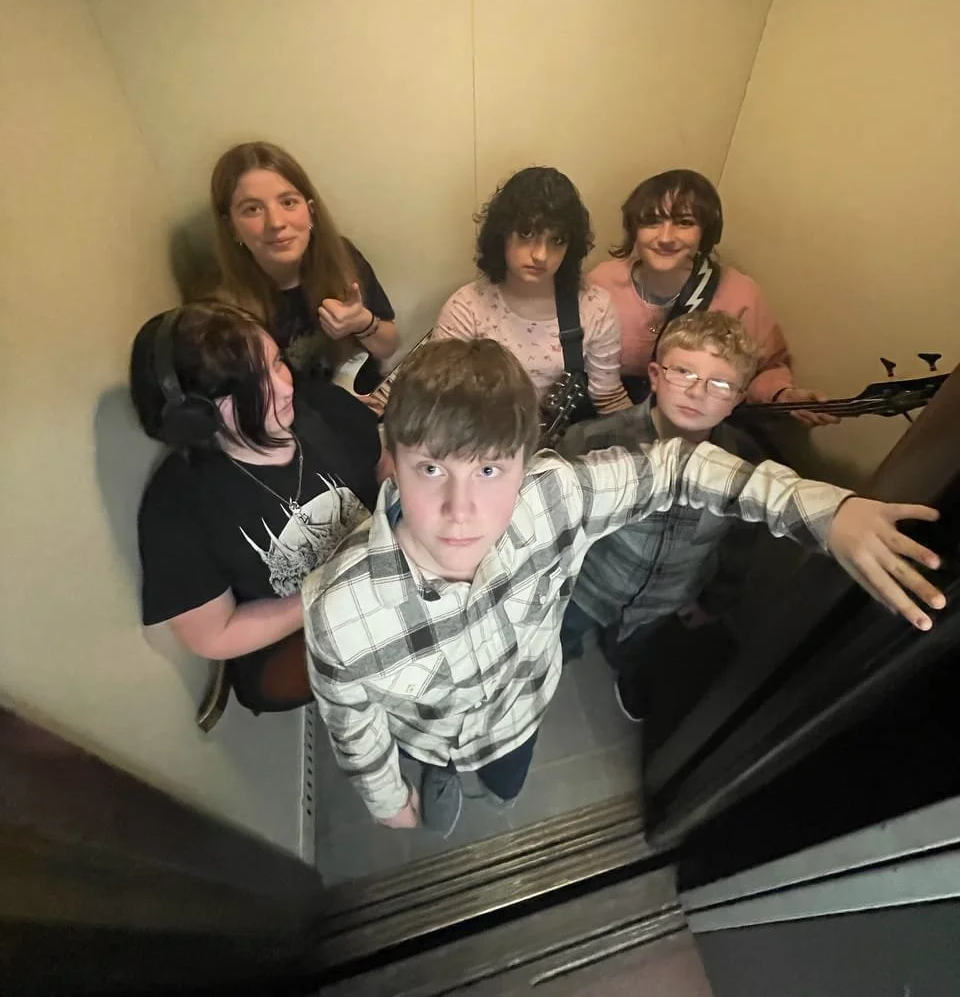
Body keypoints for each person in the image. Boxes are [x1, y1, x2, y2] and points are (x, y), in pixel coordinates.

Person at [302, 338, 944, 837]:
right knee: (434, 776)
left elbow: (675, 465)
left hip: (521, 714)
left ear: (527, 463)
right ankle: (441, 779)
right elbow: (354, 729)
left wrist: (824, 512)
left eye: (491, 469)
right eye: (431, 467)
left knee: (504, 788)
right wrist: (388, 802)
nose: (460, 509)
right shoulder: (341, 614)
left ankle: (487, 785)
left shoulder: (551, 497)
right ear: (391, 455)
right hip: (427, 736)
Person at [131, 300, 381, 713]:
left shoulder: (319, 407)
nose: (286, 387)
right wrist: (329, 592)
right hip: (292, 636)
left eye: (277, 362)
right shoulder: (178, 505)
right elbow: (212, 635)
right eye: (255, 385)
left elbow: (383, 465)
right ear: (197, 415)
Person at [557, 311, 768, 716]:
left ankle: (626, 668)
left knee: (634, 646)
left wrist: (715, 600)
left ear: (738, 398)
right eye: (683, 372)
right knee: (559, 640)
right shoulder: (592, 440)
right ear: (654, 375)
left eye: (719, 383)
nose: (697, 392)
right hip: (589, 587)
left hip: (666, 598)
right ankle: (548, 671)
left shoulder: (744, 462)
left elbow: (741, 541)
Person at [588, 169, 835, 425]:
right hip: (613, 418)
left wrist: (784, 394)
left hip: (697, 425)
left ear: (705, 231)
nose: (665, 237)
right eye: (652, 221)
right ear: (634, 229)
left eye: (684, 223)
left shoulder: (740, 295)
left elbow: (764, 368)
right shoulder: (602, 282)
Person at [433, 167, 631, 417]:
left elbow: (608, 398)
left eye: (557, 240)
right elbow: (439, 402)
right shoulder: (467, 307)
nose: (540, 255)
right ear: (502, 235)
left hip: (564, 449)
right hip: (480, 442)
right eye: (526, 234)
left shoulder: (595, 307)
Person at [210, 141, 399, 398]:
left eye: (288, 202)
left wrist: (362, 322)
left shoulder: (341, 256)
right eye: (252, 209)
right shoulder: (220, 309)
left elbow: (388, 346)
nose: (276, 223)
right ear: (231, 227)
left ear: (310, 211)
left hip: (365, 401)